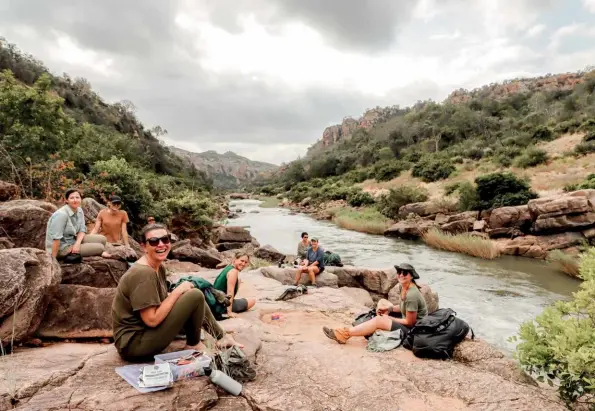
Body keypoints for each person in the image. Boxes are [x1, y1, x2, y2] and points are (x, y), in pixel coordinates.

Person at [111, 223, 241, 361]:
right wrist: (177, 292)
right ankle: (196, 343)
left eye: (165, 239)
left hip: (144, 334)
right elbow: (152, 320)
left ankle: (219, 337)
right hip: (134, 345)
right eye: (154, 241)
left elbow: (161, 302)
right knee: (194, 295)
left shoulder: (158, 267)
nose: (161, 244)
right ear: (144, 246)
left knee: (191, 295)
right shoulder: (143, 273)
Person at [322, 263, 427, 344]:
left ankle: (343, 334)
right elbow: (403, 307)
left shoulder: (412, 295)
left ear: (411, 276)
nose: (401, 275)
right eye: (399, 272)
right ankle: (362, 329)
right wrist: (388, 309)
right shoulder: (403, 287)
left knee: (379, 320)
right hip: (407, 323)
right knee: (382, 304)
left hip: (413, 330)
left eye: (405, 273)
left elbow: (410, 322)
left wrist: (389, 318)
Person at [45, 188, 111, 259]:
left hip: (73, 240)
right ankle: (99, 251)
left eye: (77, 197)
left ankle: (91, 249)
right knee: (100, 247)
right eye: (72, 198)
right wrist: (53, 260)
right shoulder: (61, 215)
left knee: (103, 239)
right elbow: (56, 239)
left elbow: (82, 230)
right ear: (66, 200)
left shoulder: (79, 210)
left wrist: (77, 244)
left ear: (81, 199)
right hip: (61, 248)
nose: (75, 200)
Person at [213, 252, 257, 317]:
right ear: (235, 259)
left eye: (246, 262)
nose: (243, 264)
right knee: (252, 301)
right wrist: (229, 312)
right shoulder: (233, 271)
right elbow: (230, 292)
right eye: (242, 261)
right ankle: (228, 309)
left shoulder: (228, 267)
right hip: (221, 305)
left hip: (216, 300)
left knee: (239, 281)